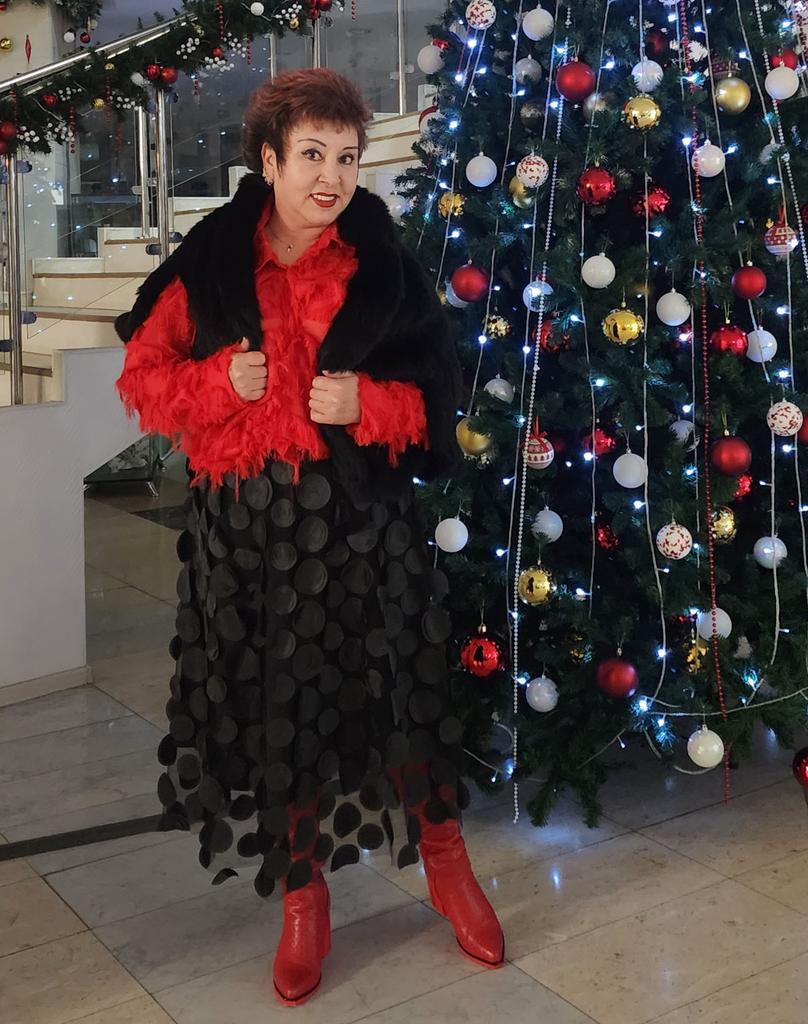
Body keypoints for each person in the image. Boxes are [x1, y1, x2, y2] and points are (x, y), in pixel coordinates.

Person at [115, 67, 504, 1007]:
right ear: (270, 160)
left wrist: (368, 402)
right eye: (312, 156)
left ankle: (447, 865)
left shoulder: (383, 267)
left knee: (404, 697)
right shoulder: (214, 259)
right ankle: (303, 900)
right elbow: (145, 374)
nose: (331, 178)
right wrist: (218, 384)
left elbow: (437, 400)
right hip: (246, 538)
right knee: (277, 711)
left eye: (347, 158)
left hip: (363, 528)